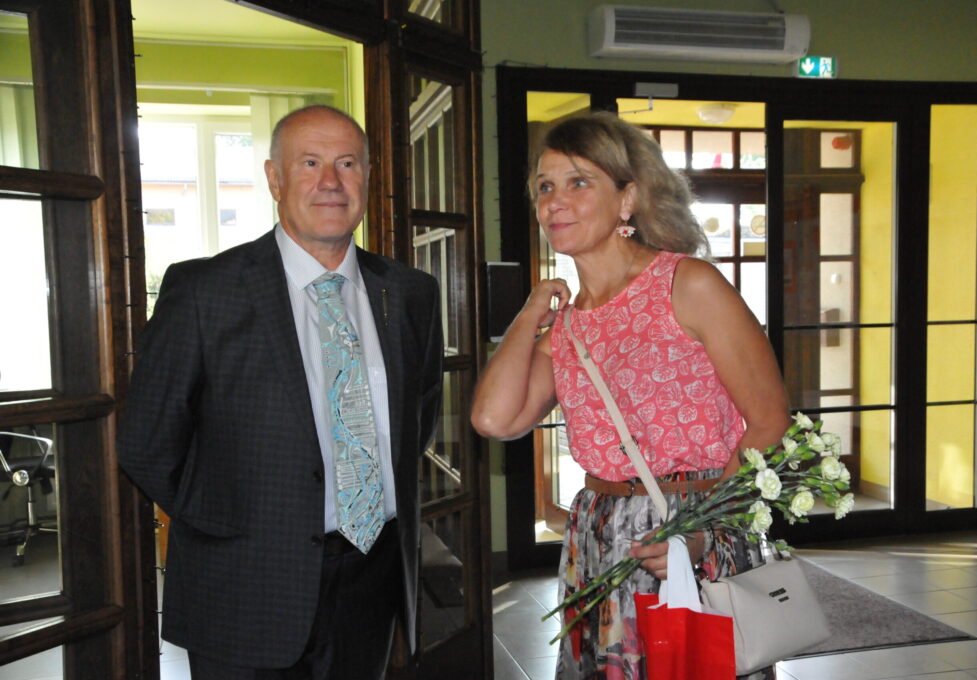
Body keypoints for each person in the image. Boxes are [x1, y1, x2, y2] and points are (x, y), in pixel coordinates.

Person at [117, 105, 443, 680]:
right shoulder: (204, 290)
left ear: (368, 176)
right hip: (246, 585)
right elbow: (147, 443)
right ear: (274, 178)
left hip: (370, 582)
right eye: (309, 163)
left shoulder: (410, 292)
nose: (330, 182)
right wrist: (231, 523)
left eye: (347, 163)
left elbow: (418, 416)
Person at [470, 112, 790, 680]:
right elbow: (495, 419)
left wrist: (705, 532)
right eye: (545, 187)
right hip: (598, 535)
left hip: (689, 526)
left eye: (578, 182)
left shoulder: (688, 284)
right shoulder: (568, 324)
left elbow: (769, 421)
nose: (555, 202)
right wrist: (529, 313)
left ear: (628, 199)